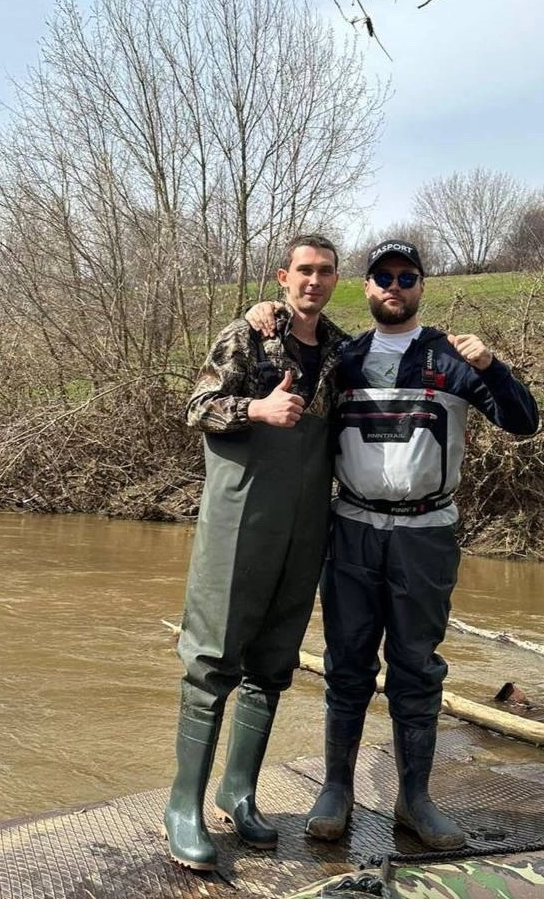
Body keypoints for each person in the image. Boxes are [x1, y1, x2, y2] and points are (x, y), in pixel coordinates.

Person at [246, 238, 539, 851]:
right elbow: (277, 365)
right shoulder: (343, 358)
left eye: (407, 277)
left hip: (425, 535)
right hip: (350, 530)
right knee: (346, 663)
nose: (395, 287)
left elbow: (522, 421)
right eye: (383, 277)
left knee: (416, 667)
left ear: (421, 287)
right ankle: (335, 790)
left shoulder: (452, 358)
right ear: (368, 286)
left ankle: (415, 799)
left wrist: (491, 367)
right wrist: (260, 316)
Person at [163, 234, 349, 872]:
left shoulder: (341, 350)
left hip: (305, 526)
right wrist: (258, 408)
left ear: (334, 280)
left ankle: (238, 790)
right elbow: (198, 407)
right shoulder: (246, 337)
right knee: (213, 661)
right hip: (239, 520)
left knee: (273, 663)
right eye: (304, 270)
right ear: (283, 276)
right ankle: (182, 805)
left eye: (325, 271)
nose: (314, 281)